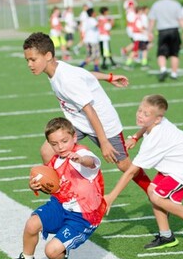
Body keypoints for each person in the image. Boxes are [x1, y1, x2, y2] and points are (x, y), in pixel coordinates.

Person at [22, 32, 151, 195]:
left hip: (103, 123)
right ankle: (63, 193)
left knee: (123, 165)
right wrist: (108, 77)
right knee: (47, 150)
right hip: (78, 121)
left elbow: (90, 110)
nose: (30, 64)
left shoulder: (66, 80)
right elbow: (84, 75)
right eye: (27, 60)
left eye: (33, 60)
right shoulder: (57, 69)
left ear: (48, 56)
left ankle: (153, 191)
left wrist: (104, 142)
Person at [0, 116, 106, 259]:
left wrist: (81, 159)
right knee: (32, 224)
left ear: (74, 137)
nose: (60, 147)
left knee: (51, 251)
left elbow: (91, 162)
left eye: (64, 141)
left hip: (83, 216)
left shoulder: (81, 153)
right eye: (54, 144)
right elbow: (52, 185)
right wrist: (35, 185)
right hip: (61, 205)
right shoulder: (56, 160)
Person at [104, 94, 183, 249]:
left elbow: (131, 172)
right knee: (152, 190)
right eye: (140, 110)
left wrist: (111, 196)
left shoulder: (156, 138)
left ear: (158, 119)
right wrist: (135, 137)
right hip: (175, 165)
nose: (140, 115)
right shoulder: (155, 123)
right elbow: (146, 126)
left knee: (157, 197)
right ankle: (166, 236)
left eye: (146, 114)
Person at [148, 0, 183, 82]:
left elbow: (152, 20)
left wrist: (150, 32)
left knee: (161, 53)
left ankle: (163, 69)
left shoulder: (156, 4)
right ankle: (174, 74)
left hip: (162, 31)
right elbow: (180, 19)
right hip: (174, 30)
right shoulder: (176, 4)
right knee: (174, 53)